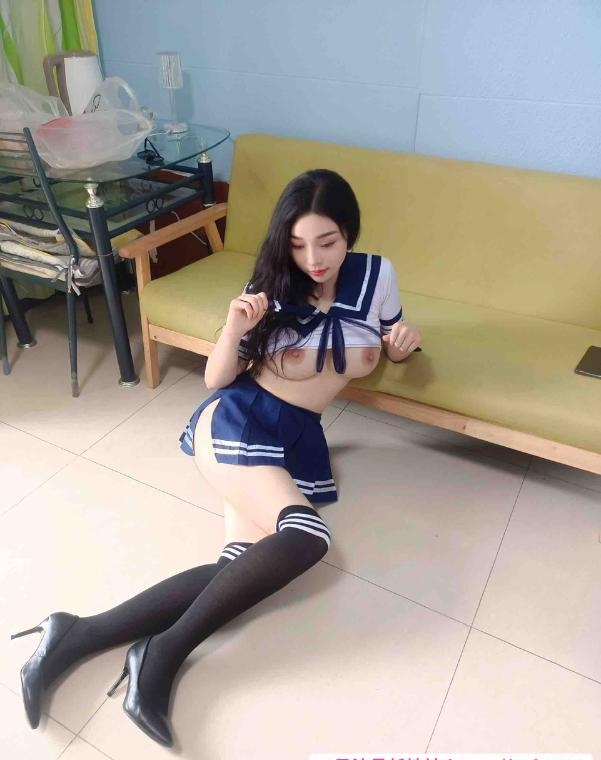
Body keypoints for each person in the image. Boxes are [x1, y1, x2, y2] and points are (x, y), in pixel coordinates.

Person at [11, 169, 421, 748]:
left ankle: (73, 636)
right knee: (307, 537)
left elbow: (391, 340)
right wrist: (233, 328)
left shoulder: (378, 277)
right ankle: (160, 653)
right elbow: (217, 379)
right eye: (298, 244)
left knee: (238, 569)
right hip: (242, 418)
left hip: (296, 439)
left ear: (348, 233)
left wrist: (402, 345)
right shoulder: (272, 283)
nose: (313, 259)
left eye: (327, 242)